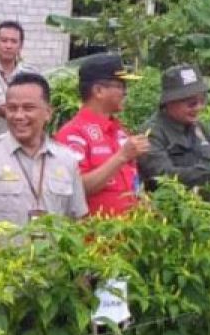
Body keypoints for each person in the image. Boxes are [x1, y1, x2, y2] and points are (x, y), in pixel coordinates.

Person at [0, 73, 87, 225]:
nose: (19, 116)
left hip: (52, 249)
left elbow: (77, 219)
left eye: (28, 108)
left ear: (48, 113)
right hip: (4, 249)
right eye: (12, 108)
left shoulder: (67, 159)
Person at [54, 53, 148, 217]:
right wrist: (121, 157)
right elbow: (75, 188)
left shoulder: (121, 131)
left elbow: (131, 181)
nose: (125, 92)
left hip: (128, 235)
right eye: (120, 86)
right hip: (94, 238)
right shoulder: (72, 134)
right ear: (98, 91)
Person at [139, 65, 210, 188]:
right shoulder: (151, 133)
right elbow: (163, 176)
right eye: (192, 103)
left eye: (203, 100)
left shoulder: (198, 128)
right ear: (169, 102)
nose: (199, 107)